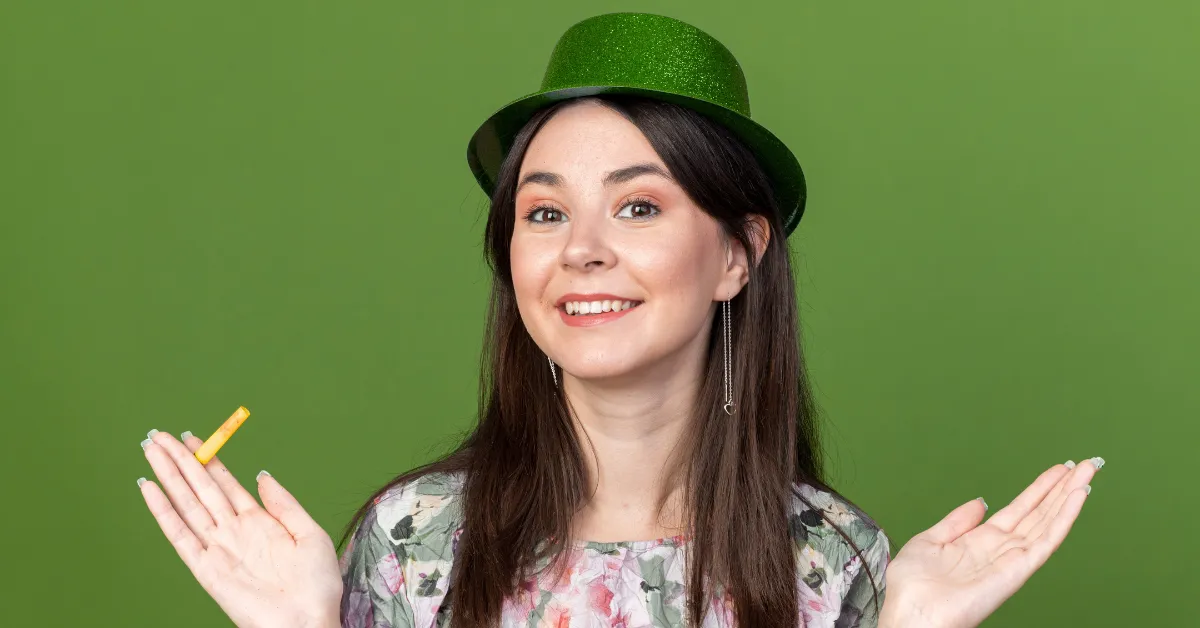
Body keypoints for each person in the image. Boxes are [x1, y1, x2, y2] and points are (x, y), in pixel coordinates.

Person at [136, 12, 1100, 628]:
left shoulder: (834, 561)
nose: (580, 249)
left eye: (638, 206)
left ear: (738, 254)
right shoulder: (415, 540)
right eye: (544, 212)